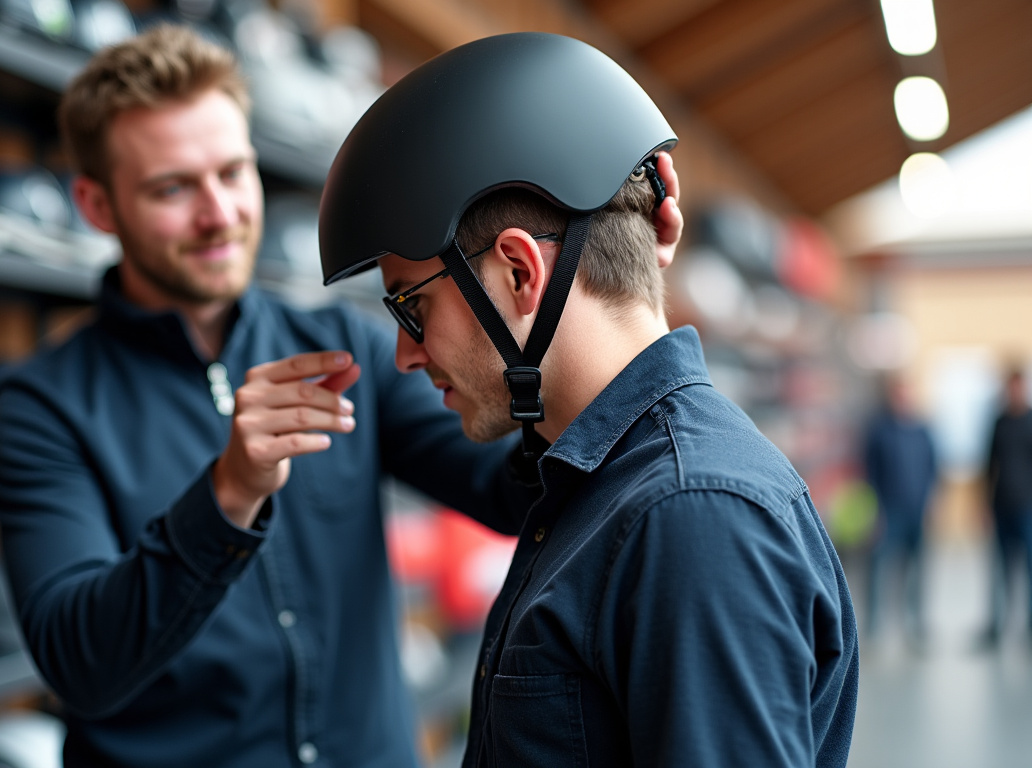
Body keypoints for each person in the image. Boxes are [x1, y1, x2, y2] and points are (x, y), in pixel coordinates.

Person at [0, 24, 686, 768]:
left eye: (232, 172)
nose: (218, 213)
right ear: (97, 206)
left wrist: (574, 337)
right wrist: (226, 497)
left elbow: (514, 492)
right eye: (172, 188)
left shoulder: (344, 352)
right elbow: (78, 665)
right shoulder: (43, 407)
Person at [318, 32, 858, 767]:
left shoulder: (689, 517)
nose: (407, 353)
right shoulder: (592, 484)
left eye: (411, 308)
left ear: (517, 273)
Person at [862, 374, 939, 643]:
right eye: (899, 393)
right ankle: (873, 627)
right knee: (879, 569)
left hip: (916, 511)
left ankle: (915, 625)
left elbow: (933, 468)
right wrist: (873, 511)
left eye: (907, 393)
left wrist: (932, 504)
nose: (903, 399)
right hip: (887, 511)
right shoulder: (879, 430)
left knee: (917, 570)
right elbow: (868, 473)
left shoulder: (923, 430)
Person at [978, 367, 1032, 648]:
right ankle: (996, 626)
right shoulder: (999, 422)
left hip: (1027, 509)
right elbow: (989, 465)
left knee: (1028, 570)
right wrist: (985, 505)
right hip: (1001, 506)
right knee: (999, 570)